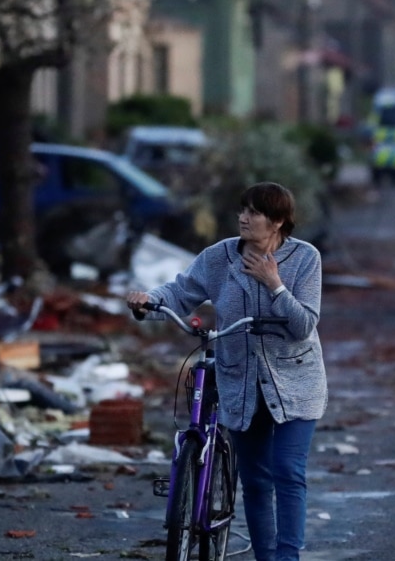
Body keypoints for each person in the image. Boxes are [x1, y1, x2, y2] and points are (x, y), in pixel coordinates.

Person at [126, 182, 326, 561]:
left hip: (296, 382)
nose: (243, 218)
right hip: (241, 381)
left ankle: (287, 557)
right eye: (243, 209)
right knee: (254, 480)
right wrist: (148, 302)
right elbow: (181, 291)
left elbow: (304, 326)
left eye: (254, 212)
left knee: (287, 470)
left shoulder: (305, 259)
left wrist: (275, 284)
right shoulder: (219, 258)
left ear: (279, 222)